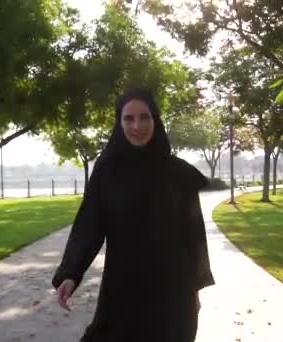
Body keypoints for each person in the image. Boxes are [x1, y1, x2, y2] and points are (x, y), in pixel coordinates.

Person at [51, 87, 216, 341]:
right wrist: (71, 273)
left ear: (156, 120)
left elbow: (193, 235)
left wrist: (194, 289)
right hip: (122, 291)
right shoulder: (108, 172)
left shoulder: (179, 174)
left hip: (173, 295)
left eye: (144, 117)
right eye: (128, 118)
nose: (137, 125)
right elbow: (90, 224)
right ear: (119, 123)